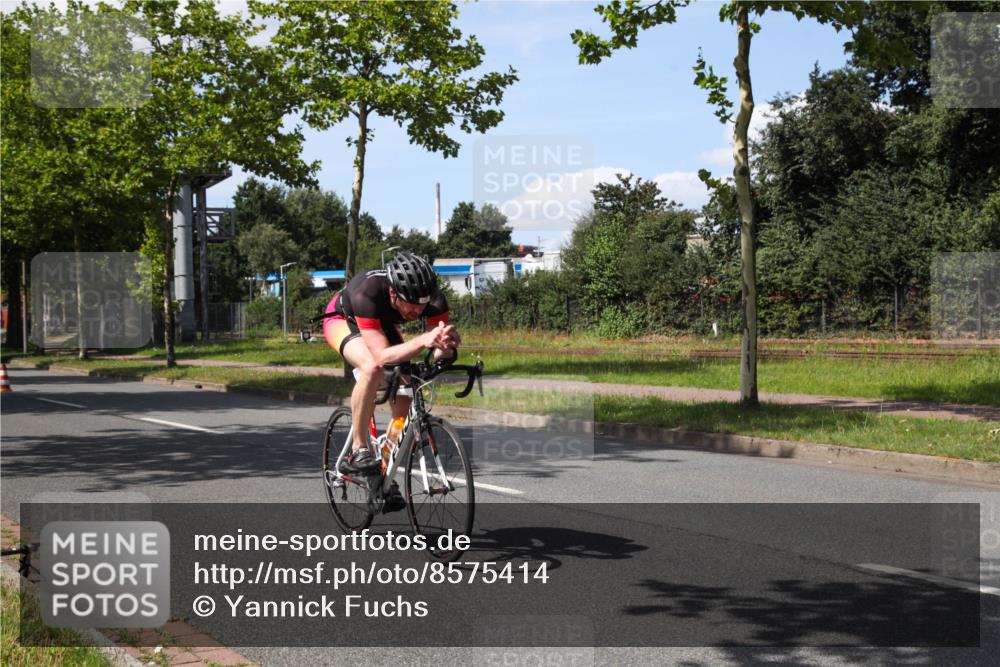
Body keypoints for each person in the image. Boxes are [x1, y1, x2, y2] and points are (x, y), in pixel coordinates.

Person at [323, 252, 460, 473]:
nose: (417, 311)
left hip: (380, 322)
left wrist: (445, 347)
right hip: (343, 319)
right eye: (411, 305)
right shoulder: (366, 293)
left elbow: (436, 351)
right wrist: (422, 340)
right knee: (372, 367)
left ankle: (381, 476)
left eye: (422, 306)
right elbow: (381, 356)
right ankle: (359, 449)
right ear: (393, 292)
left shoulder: (433, 301)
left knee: (404, 404)